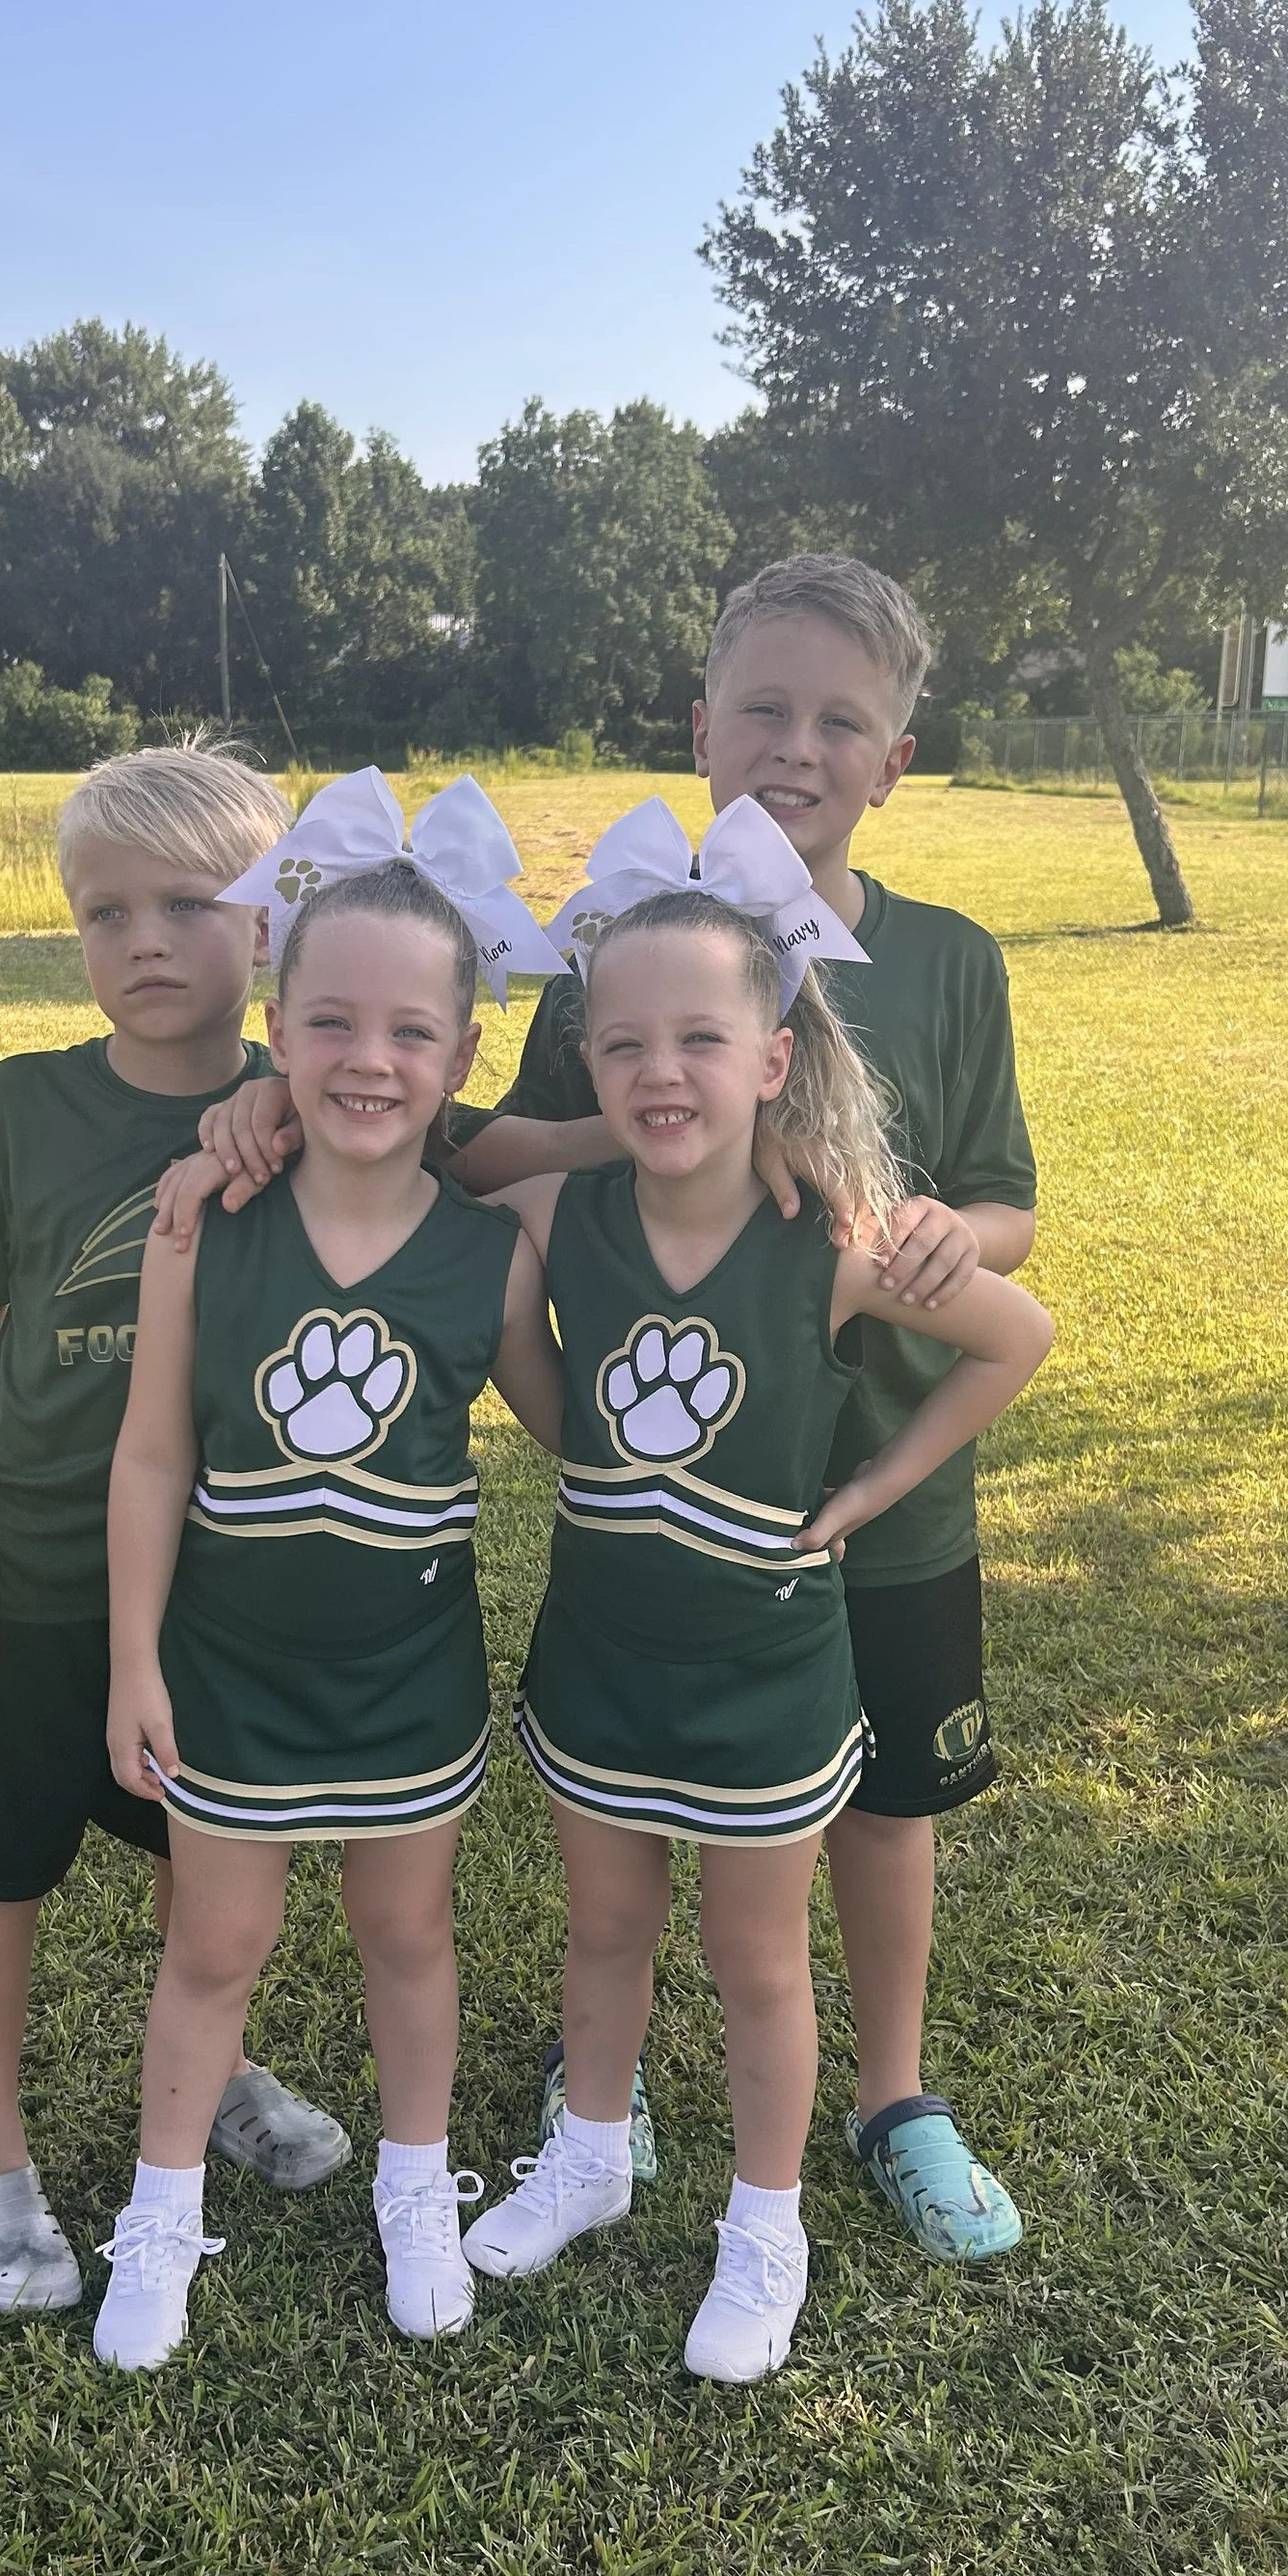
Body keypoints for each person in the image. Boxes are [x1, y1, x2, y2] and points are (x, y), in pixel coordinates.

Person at [178, 556, 1042, 2265]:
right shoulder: (612, 966)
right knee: (641, 1818)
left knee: (872, 1807)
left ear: (900, 756)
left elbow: (1009, 1209)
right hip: (669, 1489)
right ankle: (611, 2099)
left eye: (841, 722)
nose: (797, 748)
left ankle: (895, 2099)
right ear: (700, 726)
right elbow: (473, 1149)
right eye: (764, 711)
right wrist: (684, 1140)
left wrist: (910, 1223)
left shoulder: (950, 959)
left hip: (873, 1487)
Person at [458, 802, 1053, 2381]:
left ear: (775, 1058)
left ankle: (763, 2225)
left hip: (767, 1677)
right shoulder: (563, 1210)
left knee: (757, 1964)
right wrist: (560, 1425)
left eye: (702, 1041)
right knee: (600, 1928)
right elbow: (465, 1203)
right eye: (625, 1045)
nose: (662, 1072)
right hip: (599, 1654)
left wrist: (871, 1489)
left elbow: (1020, 1337)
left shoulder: (829, 1240)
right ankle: (587, 2159)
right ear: (589, 1069)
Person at [96, 776, 565, 2373]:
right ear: (276, 1035)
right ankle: (160, 2216)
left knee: (409, 1937)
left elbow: (582, 1438)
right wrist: (134, 1658)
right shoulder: (202, 1226)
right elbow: (154, 1456)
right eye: (335, 1023)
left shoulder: (492, 1254)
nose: (373, 1060)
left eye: (413, 1033)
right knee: (214, 1947)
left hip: (406, 1676)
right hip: (229, 1665)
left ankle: (417, 2188)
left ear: (463, 1056)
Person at [0, 744, 349, 2319]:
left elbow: (474, 1123)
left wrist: (289, 1092)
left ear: (273, 926)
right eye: (105, 912)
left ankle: (210, 2066)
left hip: (225, 1580)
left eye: (186, 903)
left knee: (206, 1862)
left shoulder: (319, 1107)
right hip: (27, 1566)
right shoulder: (17, 1105)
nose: (143, 941)